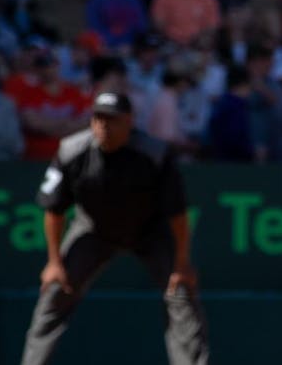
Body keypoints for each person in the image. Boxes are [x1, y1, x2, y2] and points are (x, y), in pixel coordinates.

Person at [21, 91, 207, 365]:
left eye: (112, 119)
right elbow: (54, 209)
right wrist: (53, 261)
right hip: (93, 229)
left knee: (180, 293)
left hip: (149, 232)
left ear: (130, 121)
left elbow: (178, 215)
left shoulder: (153, 154)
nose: (103, 126)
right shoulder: (72, 151)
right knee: (55, 291)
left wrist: (181, 263)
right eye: (98, 118)